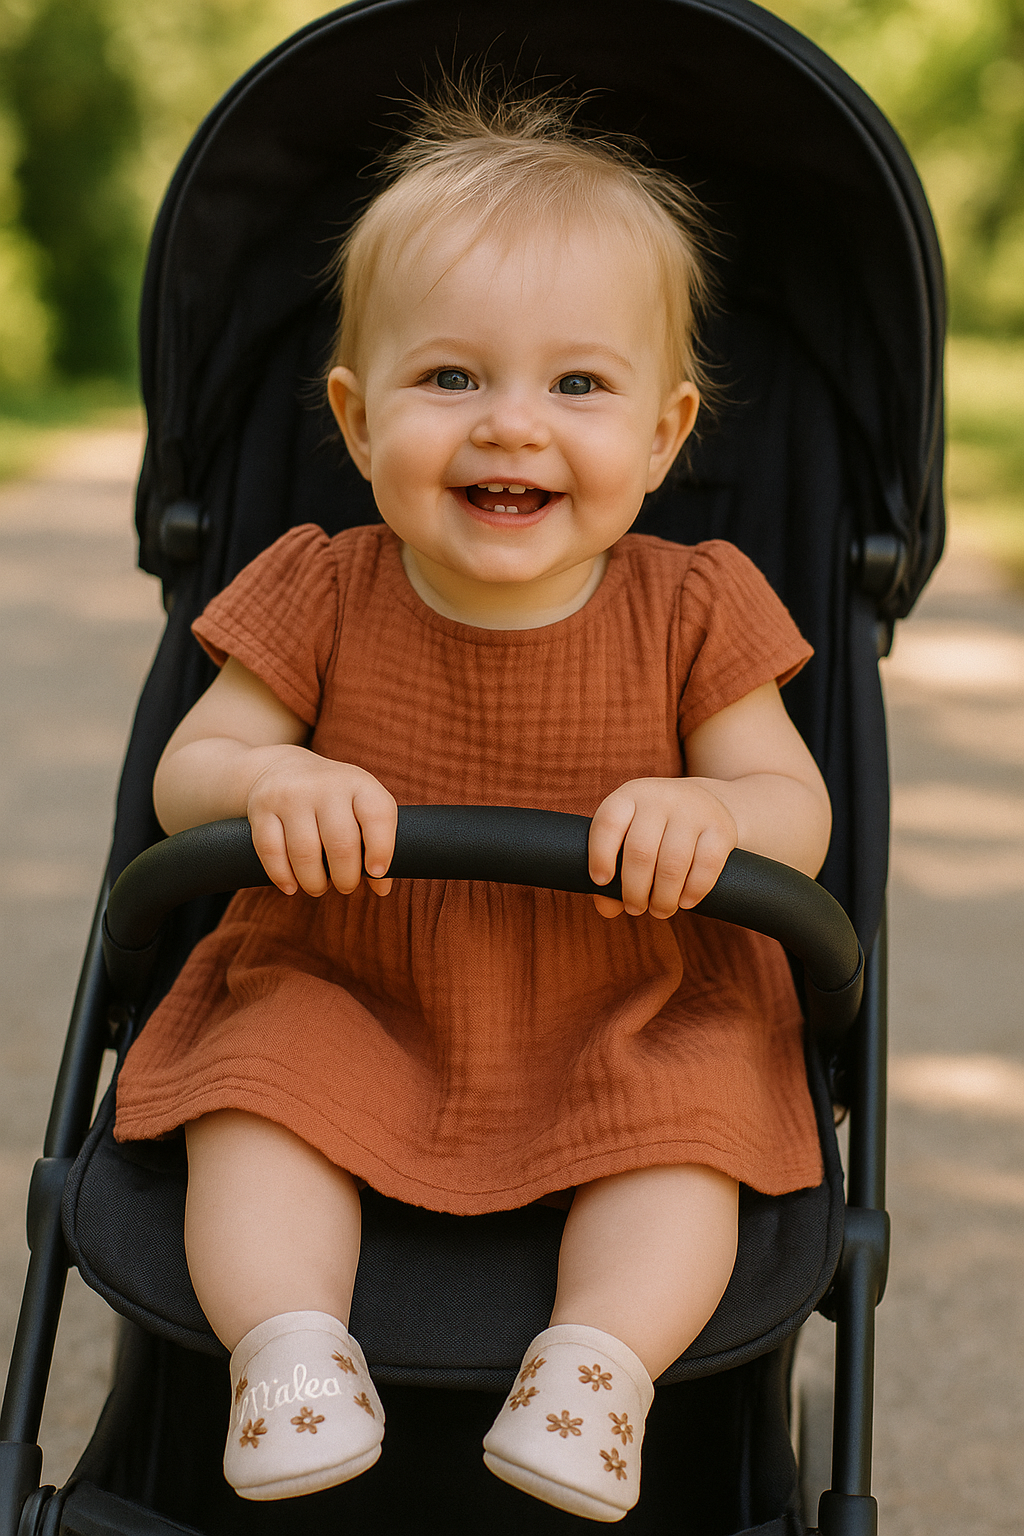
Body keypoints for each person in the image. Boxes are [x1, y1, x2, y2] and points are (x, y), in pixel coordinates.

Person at [114, 83, 832, 1523]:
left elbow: (792, 809)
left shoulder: (699, 604)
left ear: (667, 429)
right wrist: (274, 773)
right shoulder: (317, 583)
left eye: (578, 386)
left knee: (688, 1121)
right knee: (256, 1092)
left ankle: (597, 1371)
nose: (512, 427)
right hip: (355, 983)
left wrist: (714, 816)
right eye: (450, 380)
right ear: (356, 414)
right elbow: (185, 776)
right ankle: (290, 1347)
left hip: (621, 1002)